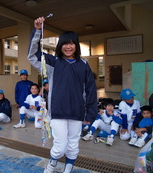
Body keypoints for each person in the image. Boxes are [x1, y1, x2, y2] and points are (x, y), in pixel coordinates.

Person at [27, 17, 97, 173]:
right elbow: (33, 55)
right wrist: (38, 31)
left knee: (73, 144)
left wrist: (91, 113)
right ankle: (52, 163)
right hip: (57, 112)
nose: (68, 46)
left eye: (72, 43)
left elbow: (90, 90)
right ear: (60, 45)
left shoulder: (84, 65)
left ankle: (69, 166)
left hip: (77, 112)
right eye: (65, 43)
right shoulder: (53, 62)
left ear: (76, 45)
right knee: (59, 146)